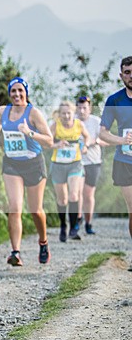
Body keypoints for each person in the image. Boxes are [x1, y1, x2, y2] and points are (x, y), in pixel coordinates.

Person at [0, 77, 54, 266]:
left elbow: (49, 141)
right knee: (15, 207)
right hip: (12, 163)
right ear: (9, 93)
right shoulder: (3, 111)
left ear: (26, 93)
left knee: (35, 210)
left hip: (34, 163)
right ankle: (15, 252)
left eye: (20, 91)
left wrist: (29, 132)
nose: (17, 94)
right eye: (13, 91)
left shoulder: (34, 114)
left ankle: (43, 242)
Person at [48, 101, 92, 242]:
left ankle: (73, 229)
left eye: (69, 113)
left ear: (73, 113)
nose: (66, 116)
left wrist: (85, 146)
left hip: (75, 163)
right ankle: (63, 225)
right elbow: (46, 142)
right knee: (62, 199)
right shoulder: (55, 126)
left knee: (74, 195)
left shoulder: (79, 124)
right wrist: (56, 144)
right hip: (58, 164)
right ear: (59, 115)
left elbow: (87, 137)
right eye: (63, 113)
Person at [99, 56, 132, 240]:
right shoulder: (114, 100)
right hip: (125, 161)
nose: (131, 76)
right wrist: (121, 140)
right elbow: (102, 133)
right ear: (121, 76)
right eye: (127, 72)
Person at [76, 95, 105, 235]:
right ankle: (78, 218)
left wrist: (94, 141)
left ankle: (88, 223)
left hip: (93, 162)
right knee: (77, 192)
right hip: (77, 162)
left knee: (88, 195)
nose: (82, 111)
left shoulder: (96, 122)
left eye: (84, 108)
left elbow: (107, 140)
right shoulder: (72, 121)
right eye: (79, 108)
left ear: (89, 108)